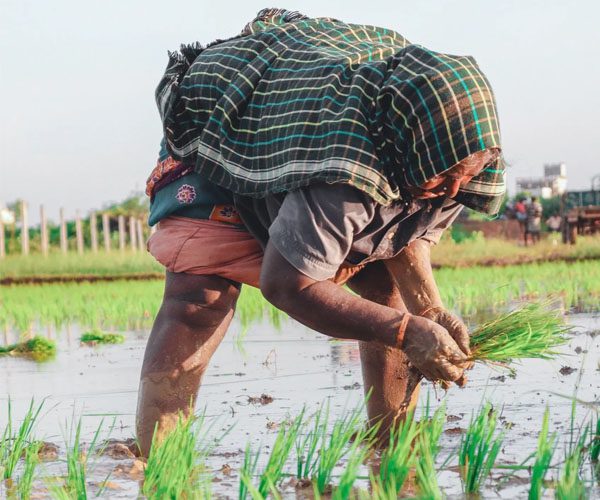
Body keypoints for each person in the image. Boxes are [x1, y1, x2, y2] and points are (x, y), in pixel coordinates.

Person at [136, 8, 506, 456]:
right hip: (231, 126)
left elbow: (406, 234)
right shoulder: (344, 172)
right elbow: (288, 286)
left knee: (380, 288)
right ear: (408, 147)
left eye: (462, 179)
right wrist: (410, 332)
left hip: (323, 137)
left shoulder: (456, 156)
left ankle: (390, 446)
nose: (451, 191)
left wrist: (430, 309)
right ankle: (159, 460)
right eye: (441, 177)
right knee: (199, 300)